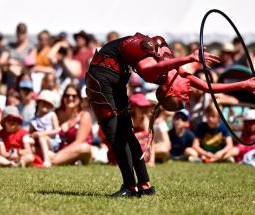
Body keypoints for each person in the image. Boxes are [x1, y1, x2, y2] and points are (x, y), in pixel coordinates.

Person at [86, 32, 255, 198]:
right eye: (186, 99)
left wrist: (190, 58)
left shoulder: (153, 74)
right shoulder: (176, 72)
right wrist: (244, 84)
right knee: (118, 134)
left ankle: (140, 185)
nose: (188, 98)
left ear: (171, 91)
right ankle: (133, 186)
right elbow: (209, 87)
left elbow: (155, 67)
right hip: (104, 72)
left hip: (110, 73)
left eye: (183, 98)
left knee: (124, 135)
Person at [52, 84, 92, 165]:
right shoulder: (56, 114)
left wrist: (58, 155)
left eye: (74, 96)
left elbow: (79, 142)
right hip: (56, 150)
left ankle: (53, 161)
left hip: (76, 151)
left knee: (85, 148)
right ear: (63, 98)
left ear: (79, 99)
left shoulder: (84, 116)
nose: (70, 98)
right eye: (67, 96)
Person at [29, 90, 61, 167]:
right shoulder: (34, 120)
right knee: (29, 142)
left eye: (48, 104)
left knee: (42, 137)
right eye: (43, 102)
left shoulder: (52, 115)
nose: (45, 105)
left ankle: (47, 160)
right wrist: (33, 135)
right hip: (39, 143)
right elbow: (30, 133)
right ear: (38, 103)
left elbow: (57, 130)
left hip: (52, 141)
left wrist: (41, 134)